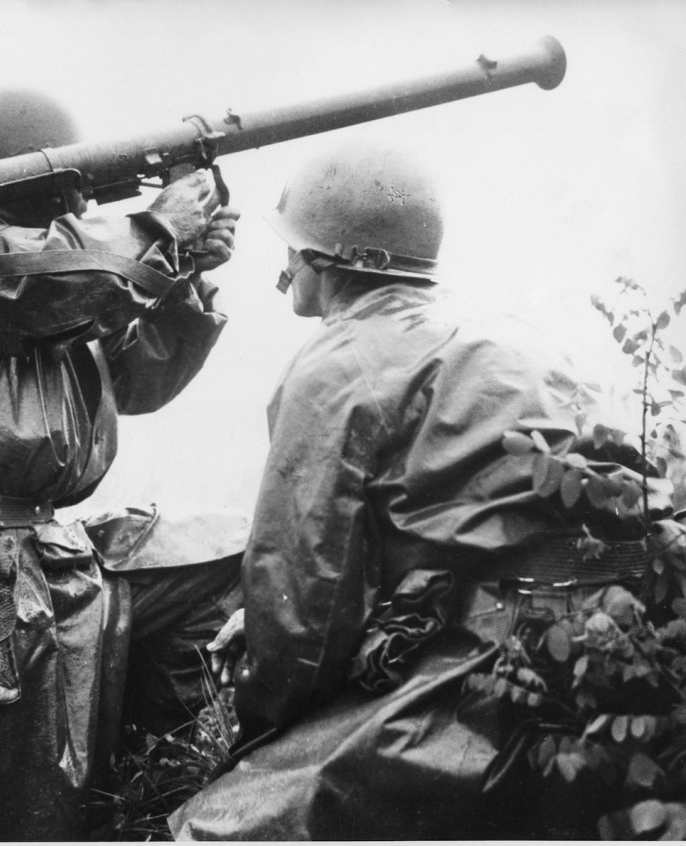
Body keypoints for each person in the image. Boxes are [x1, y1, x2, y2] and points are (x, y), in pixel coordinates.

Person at [170, 137, 678, 839]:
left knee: (224, 827)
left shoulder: (335, 365)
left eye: (295, 245)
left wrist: (256, 744)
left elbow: (302, 618)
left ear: (331, 260)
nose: (284, 261)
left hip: (496, 678)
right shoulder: (510, 334)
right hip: (623, 646)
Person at [0, 89, 243, 841]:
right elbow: (50, 281)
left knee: (223, 555)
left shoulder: (67, 279)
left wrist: (179, 267)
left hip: (46, 554)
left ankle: (142, 780)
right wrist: (155, 228)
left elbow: (143, 380)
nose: (84, 189)